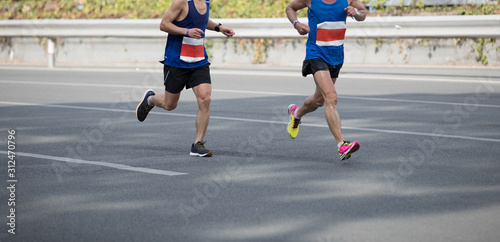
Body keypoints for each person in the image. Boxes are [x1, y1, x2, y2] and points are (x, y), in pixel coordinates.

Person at [136, 0, 235, 157]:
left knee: (205, 98)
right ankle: (150, 99)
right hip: (176, 60)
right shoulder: (182, 2)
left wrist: (219, 28)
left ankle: (197, 144)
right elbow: (164, 24)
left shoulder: (206, 2)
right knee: (170, 105)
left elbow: (202, 20)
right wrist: (186, 31)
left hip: (199, 60)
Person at [285, 0, 366, 160]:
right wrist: (296, 24)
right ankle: (341, 145)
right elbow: (290, 8)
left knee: (319, 100)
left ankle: (297, 113)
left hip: (336, 55)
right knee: (331, 97)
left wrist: (356, 13)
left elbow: (363, 13)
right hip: (316, 54)